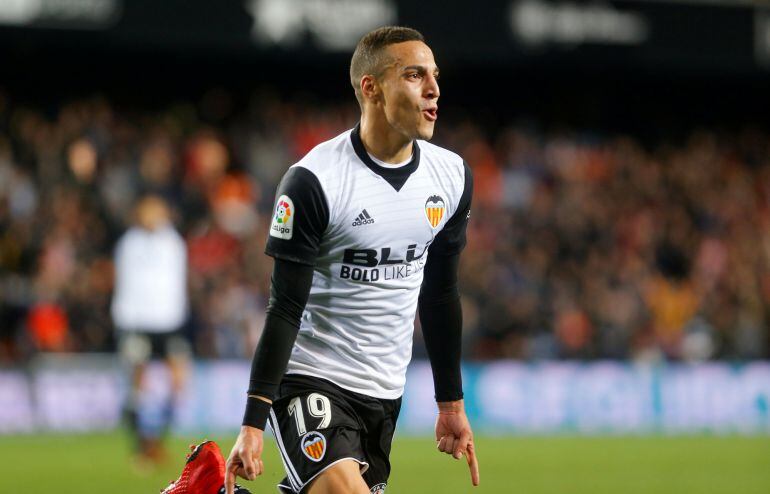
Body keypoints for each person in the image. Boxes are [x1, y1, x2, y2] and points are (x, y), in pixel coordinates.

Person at [226, 26, 479, 494]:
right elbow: (284, 307)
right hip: (310, 379)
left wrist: (451, 403)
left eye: (435, 76)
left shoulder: (451, 177)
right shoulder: (315, 182)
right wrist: (252, 423)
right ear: (371, 87)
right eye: (414, 75)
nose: (433, 89)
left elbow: (441, 293)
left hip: (384, 393)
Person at [111, 194, 190, 465]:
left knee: (179, 379)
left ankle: (160, 439)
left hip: (169, 321)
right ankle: (140, 444)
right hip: (137, 322)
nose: (152, 216)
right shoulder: (129, 244)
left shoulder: (173, 242)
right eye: (147, 211)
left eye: (157, 210)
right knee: (137, 381)